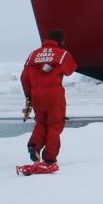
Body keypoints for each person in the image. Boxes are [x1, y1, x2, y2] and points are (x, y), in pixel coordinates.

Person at [20, 29, 77, 167]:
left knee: (41, 123)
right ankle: (50, 158)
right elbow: (70, 70)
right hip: (54, 96)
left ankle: (34, 145)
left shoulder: (32, 55)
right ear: (61, 41)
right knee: (54, 125)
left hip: (37, 95)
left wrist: (29, 96)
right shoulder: (63, 54)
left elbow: (24, 78)